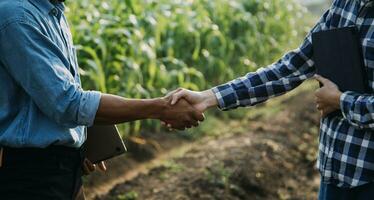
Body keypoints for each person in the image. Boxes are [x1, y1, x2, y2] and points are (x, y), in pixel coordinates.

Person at [168, 0, 374, 199]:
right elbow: (291, 67)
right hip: (336, 171)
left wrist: (341, 101)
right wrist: (209, 97)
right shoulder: (345, 5)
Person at [0, 0, 204, 199]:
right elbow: (68, 103)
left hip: (60, 169)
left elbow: (53, 92)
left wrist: (79, 147)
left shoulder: (52, 13)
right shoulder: (18, 16)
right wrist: (160, 108)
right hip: (31, 176)